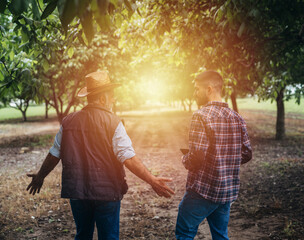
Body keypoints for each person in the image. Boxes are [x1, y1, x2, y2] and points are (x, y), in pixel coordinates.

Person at [26, 71, 174, 240]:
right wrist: (152, 180)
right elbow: (128, 158)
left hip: (78, 192)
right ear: (103, 98)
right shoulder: (113, 122)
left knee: (82, 234)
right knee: (108, 237)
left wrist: (40, 176)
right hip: (107, 191)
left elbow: (54, 154)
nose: (113, 100)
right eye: (111, 97)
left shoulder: (68, 121)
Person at [175, 70, 252, 240]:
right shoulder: (237, 117)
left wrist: (185, 159)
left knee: (184, 233)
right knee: (220, 236)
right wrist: (225, 161)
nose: (194, 93)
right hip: (226, 192)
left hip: (203, 190)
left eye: (196, 89)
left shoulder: (201, 116)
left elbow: (197, 156)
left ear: (208, 89)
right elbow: (246, 153)